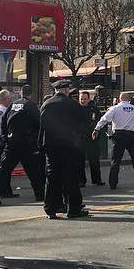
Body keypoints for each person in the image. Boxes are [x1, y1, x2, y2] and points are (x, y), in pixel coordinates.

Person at [39, 80, 89, 220]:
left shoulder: (46, 105)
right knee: (71, 177)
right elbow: (83, 126)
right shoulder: (73, 105)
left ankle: (51, 208)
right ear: (67, 90)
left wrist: (41, 145)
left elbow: (41, 127)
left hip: (51, 146)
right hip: (69, 146)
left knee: (52, 177)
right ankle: (73, 208)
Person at [0, 85, 44, 204]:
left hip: (12, 142)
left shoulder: (13, 105)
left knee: (3, 171)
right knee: (34, 171)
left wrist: (5, 136)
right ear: (31, 94)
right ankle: (40, 195)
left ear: (20, 93)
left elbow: (4, 121)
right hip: (26, 143)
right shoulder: (31, 105)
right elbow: (39, 123)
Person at [94, 91, 134, 189]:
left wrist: (97, 129)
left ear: (119, 99)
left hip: (118, 136)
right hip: (131, 136)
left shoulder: (115, 108)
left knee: (115, 160)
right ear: (129, 100)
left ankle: (113, 183)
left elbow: (104, 119)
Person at [78, 90, 105, 186]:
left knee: (94, 160)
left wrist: (96, 130)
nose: (83, 101)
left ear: (89, 99)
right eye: (81, 99)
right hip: (80, 138)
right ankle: (81, 181)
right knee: (80, 161)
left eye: (85, 99)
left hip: (92, 138)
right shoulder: (76, 109)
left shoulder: (94, 109)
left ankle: (97, 179)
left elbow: (99, 121)